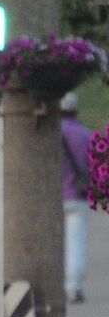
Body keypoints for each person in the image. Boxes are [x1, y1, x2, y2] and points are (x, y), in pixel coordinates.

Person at [61, 90, 92, 303]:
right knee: (76, 243)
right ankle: (73, 287)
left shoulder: (50, 134)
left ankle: (53, 284)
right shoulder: (86, 134)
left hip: (54, 197)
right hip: (78, 196)